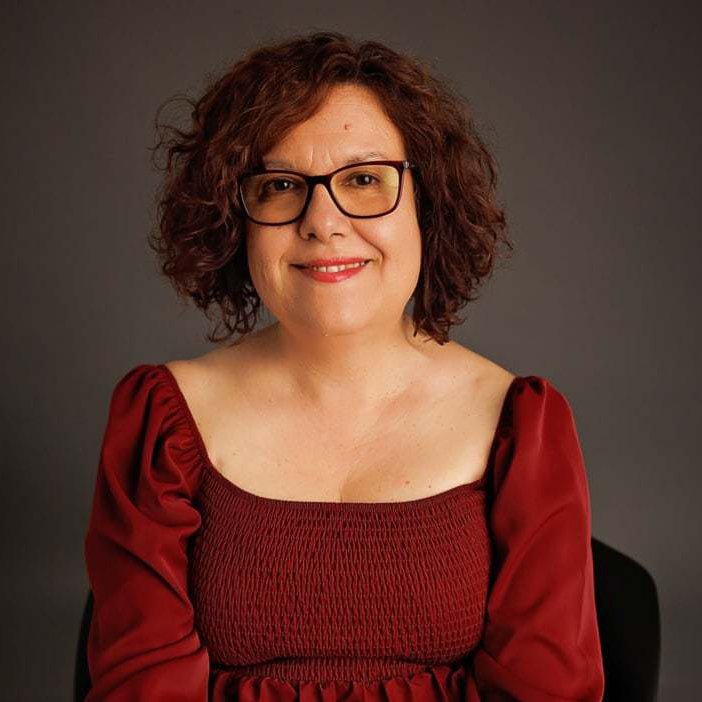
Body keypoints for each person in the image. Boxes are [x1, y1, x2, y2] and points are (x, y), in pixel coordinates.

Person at [83, 30, 605, 701]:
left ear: (427, 203)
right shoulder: (161, 421)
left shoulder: (521, 426)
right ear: (234, 219)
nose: (323, 223)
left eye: (363, 180)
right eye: (280, 185)